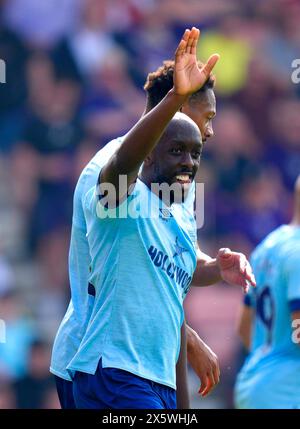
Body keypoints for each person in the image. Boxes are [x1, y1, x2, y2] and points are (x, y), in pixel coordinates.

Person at [50, 27, 254, 408]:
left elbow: (174, 266)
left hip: (146, 368)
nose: (210, 131)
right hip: (99, 362)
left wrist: (214, 266)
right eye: (206, 116)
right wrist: (177, 94)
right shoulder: (109, 168)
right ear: (176, 107)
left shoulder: (179, 184)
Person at [234, 176, 300, 409]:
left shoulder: (266, 247)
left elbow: (244, 327)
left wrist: (270, 359)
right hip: (288, 392)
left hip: (255, 383)